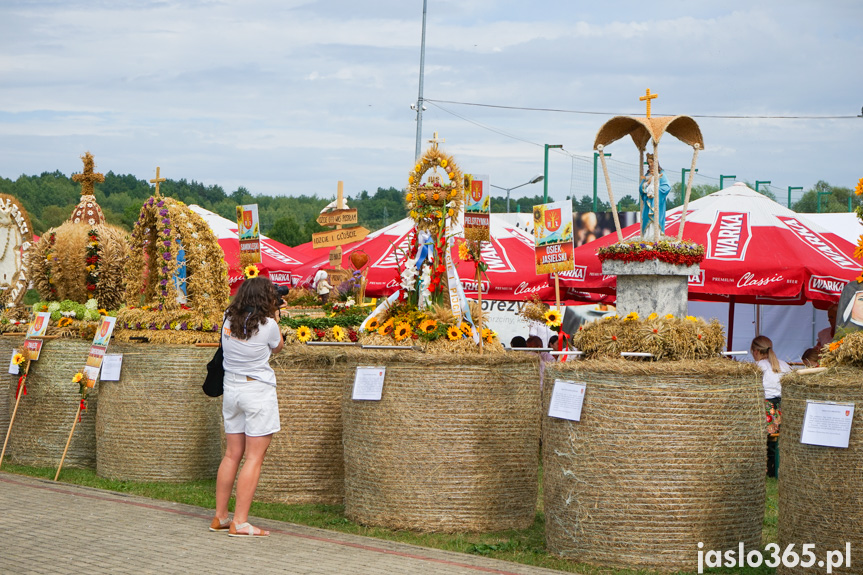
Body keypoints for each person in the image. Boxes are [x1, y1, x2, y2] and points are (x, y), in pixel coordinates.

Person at [212, 276, 285, 537]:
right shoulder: (269, 325)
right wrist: (276, 315)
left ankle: (220, 516)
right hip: (257, 390)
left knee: (232, 454)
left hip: (231, 390)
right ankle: (240, 522)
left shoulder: (227, 317)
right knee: (254, 457)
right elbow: (278, 349)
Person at [750, 335, 790, 478]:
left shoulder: (756, 368)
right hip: (785, 414)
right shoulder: (784, 365)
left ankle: (763, 469)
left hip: (766, 415)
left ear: (755, 351)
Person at [639, 153, 671, 237]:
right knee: (647, 221)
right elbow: (641, 188)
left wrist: (654, 192)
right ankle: (647, 237)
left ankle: (656, 237)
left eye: (651, 162)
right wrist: (647, 186)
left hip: (657, 202)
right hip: (648, 202)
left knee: (656, 220)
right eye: (649, 163)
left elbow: (667, 187)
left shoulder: (661, 173)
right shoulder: (647, 175)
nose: (650, 165)